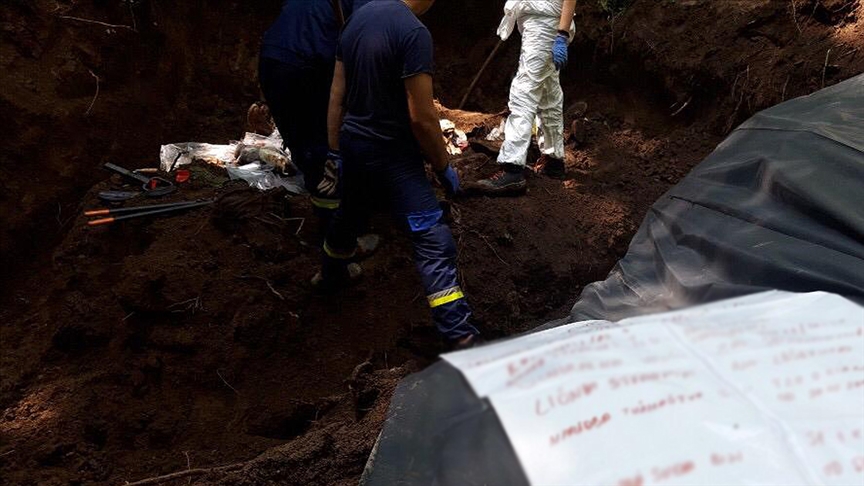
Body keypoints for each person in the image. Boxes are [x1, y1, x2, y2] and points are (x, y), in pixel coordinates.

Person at [314, 0, 481, 349]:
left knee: (348, 216)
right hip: (392, 153)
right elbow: (421, 117)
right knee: (432, 237)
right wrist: (443, 167)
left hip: (354, 146)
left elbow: (336, 96)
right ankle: (460, 336)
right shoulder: (413, 32)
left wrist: (334, 151)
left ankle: (329, 277)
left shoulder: (357, 19)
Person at [258, 0, 376, 248]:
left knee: (304, 144)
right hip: (307, 62)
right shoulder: (376, 7)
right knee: (323, 148)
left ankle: (328, 222)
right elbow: (365, 43)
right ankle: (338, 240)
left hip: (273, 56)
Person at [476, 0, 577, 195]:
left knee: (523, 92)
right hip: (541, 24)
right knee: (548, 94)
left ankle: (512, 168)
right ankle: (554, 161)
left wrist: (562, 35)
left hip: (544, 26)